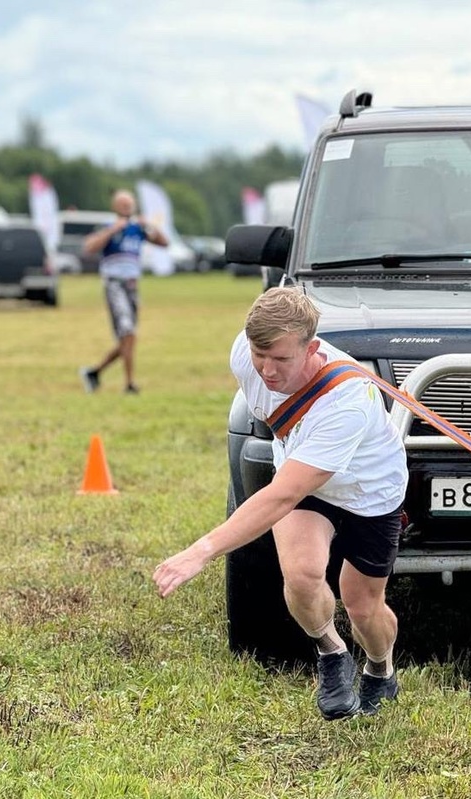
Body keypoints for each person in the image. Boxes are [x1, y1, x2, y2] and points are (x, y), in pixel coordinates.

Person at [152, 287, 408, 720]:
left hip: (368, 491)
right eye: (260, 354)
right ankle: (331, 653)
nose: (267, 371)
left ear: (312, 349)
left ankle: (380, 670)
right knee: (303, 576)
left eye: (282, 360)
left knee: (362, 605)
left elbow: (280, 495)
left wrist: (201, 551)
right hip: (303, 478)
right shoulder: (245, 354)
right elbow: (290, 489)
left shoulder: (346, 403)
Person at [79, 189, 168, 394]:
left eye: (130, 204)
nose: (127, 208)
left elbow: (164, 242)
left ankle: (94, 373)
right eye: (123, 204)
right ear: (115, 207)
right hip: (114, 284)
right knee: (128, 332)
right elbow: (89, 247)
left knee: (129, 337)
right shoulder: (108, 226)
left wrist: (150, 225)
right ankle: (129, 383)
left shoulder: (138, 229)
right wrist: (112, 231)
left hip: (132, 285)